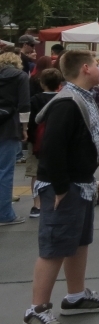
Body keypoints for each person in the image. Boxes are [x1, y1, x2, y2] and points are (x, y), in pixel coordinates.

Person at [24, 50, 99, 324]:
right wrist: (61, 186)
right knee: (55, 246)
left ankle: (76, 296)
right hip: (66, 185)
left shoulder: (81, 97)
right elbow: (52, 147)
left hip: (80, 182)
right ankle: (36, 309)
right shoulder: (68, 102)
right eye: (98, 66)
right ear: (85, 69)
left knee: (77, 242)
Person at [27, 67, 63, 219]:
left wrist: (29, 137)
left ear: (42, 83)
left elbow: (31, 123)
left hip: (38, 142)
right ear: (59, 84)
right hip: (59, 143)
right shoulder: (63, 99)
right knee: (59, 171)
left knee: (35, 173)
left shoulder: (35, 99)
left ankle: (37, 204)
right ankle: (58, 201)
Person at [0, 51, 30, 225]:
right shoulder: (20, 77)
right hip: (9, 126)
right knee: (5, 171)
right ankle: (5, 214)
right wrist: (24, 128)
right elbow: (24, 104)